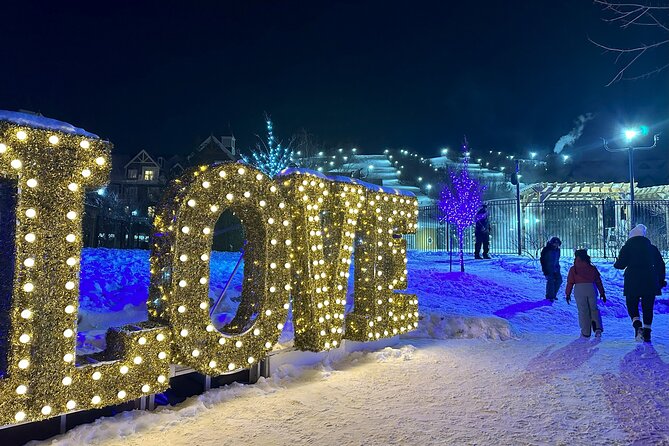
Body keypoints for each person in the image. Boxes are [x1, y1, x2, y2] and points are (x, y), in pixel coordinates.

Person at [614, 224, 666, 342]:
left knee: (632, 304)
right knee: (648, 307)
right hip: (650, 280)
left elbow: (621, 265)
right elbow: (660, 264)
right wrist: (660, 280)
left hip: (633, 280)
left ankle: (637, 326)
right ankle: (647, 332)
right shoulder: (652, 248)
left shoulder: (627, 247)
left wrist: (616, 263)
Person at [565, 249, 606, 337]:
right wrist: (602, 292)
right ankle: (598, 328)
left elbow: (570, 282)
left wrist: (567, 294)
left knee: (583, 311)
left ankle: (586, 331)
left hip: (579, 290)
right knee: (594, 309)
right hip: (591, 288)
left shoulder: (573, 269)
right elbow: (598, 281)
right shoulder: (592, 268)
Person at [540, 237, 562, 302]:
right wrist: (545, 270)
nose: (556, 245)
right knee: (550, 282)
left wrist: (557, 267)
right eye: (554, 243)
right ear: (551, 243)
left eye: (557, 243)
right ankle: (549, 296)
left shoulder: (558, 250)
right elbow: (542, 260)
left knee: (559, 280)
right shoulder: (546, 249)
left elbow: (557, 259)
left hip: (556, 268)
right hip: (548, 268)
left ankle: (553, 295)